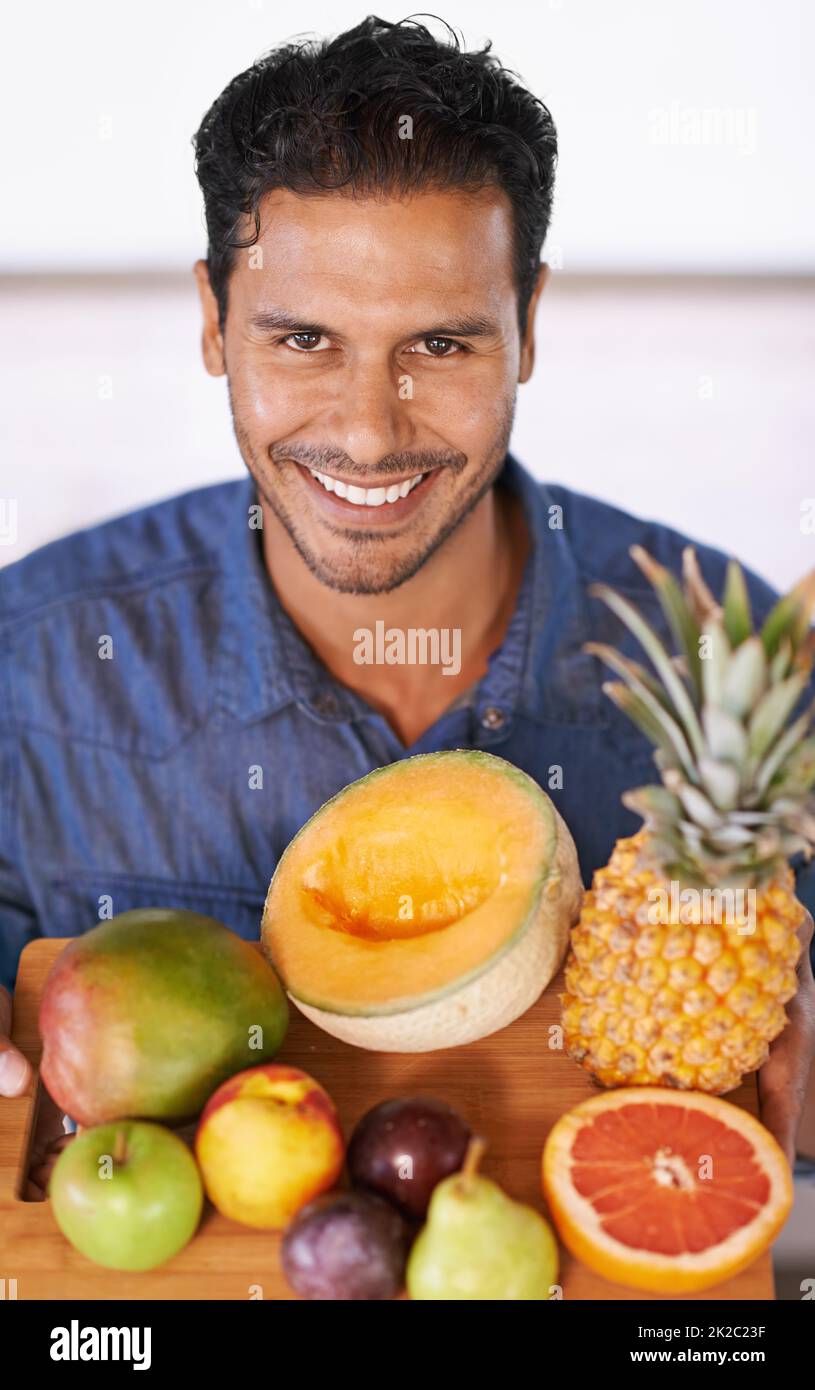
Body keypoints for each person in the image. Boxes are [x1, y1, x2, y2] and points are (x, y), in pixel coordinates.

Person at [1, 16, 813, 1198]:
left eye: (439, 343)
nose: (370, 431)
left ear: (527, 324)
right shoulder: (27, 656)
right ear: (211, 321)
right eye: (302, 339)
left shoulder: (742, 661)